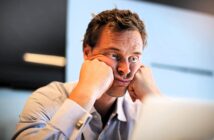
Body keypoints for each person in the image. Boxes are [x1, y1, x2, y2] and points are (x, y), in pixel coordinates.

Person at [13, 8, 160, 140]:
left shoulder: (142, 110)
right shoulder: (46, 99)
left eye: (133, 58)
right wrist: (86, 93)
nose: (125, 69)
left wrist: (155, 99)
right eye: (114, 55)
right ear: (87, 53)